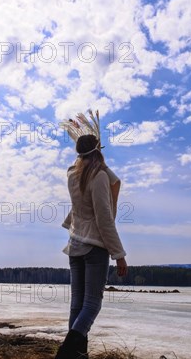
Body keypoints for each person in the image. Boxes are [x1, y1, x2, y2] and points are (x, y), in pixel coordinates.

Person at [55, 134, 128, 359]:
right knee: (92, 305)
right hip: (94, 247)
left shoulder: (72, 174)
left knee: (77, 305)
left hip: (75, 243)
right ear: (99, 150)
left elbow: (81, 206)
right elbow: (103, 218)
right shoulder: (99, 176)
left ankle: (78, 355)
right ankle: (67, 352)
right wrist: (119, 254)